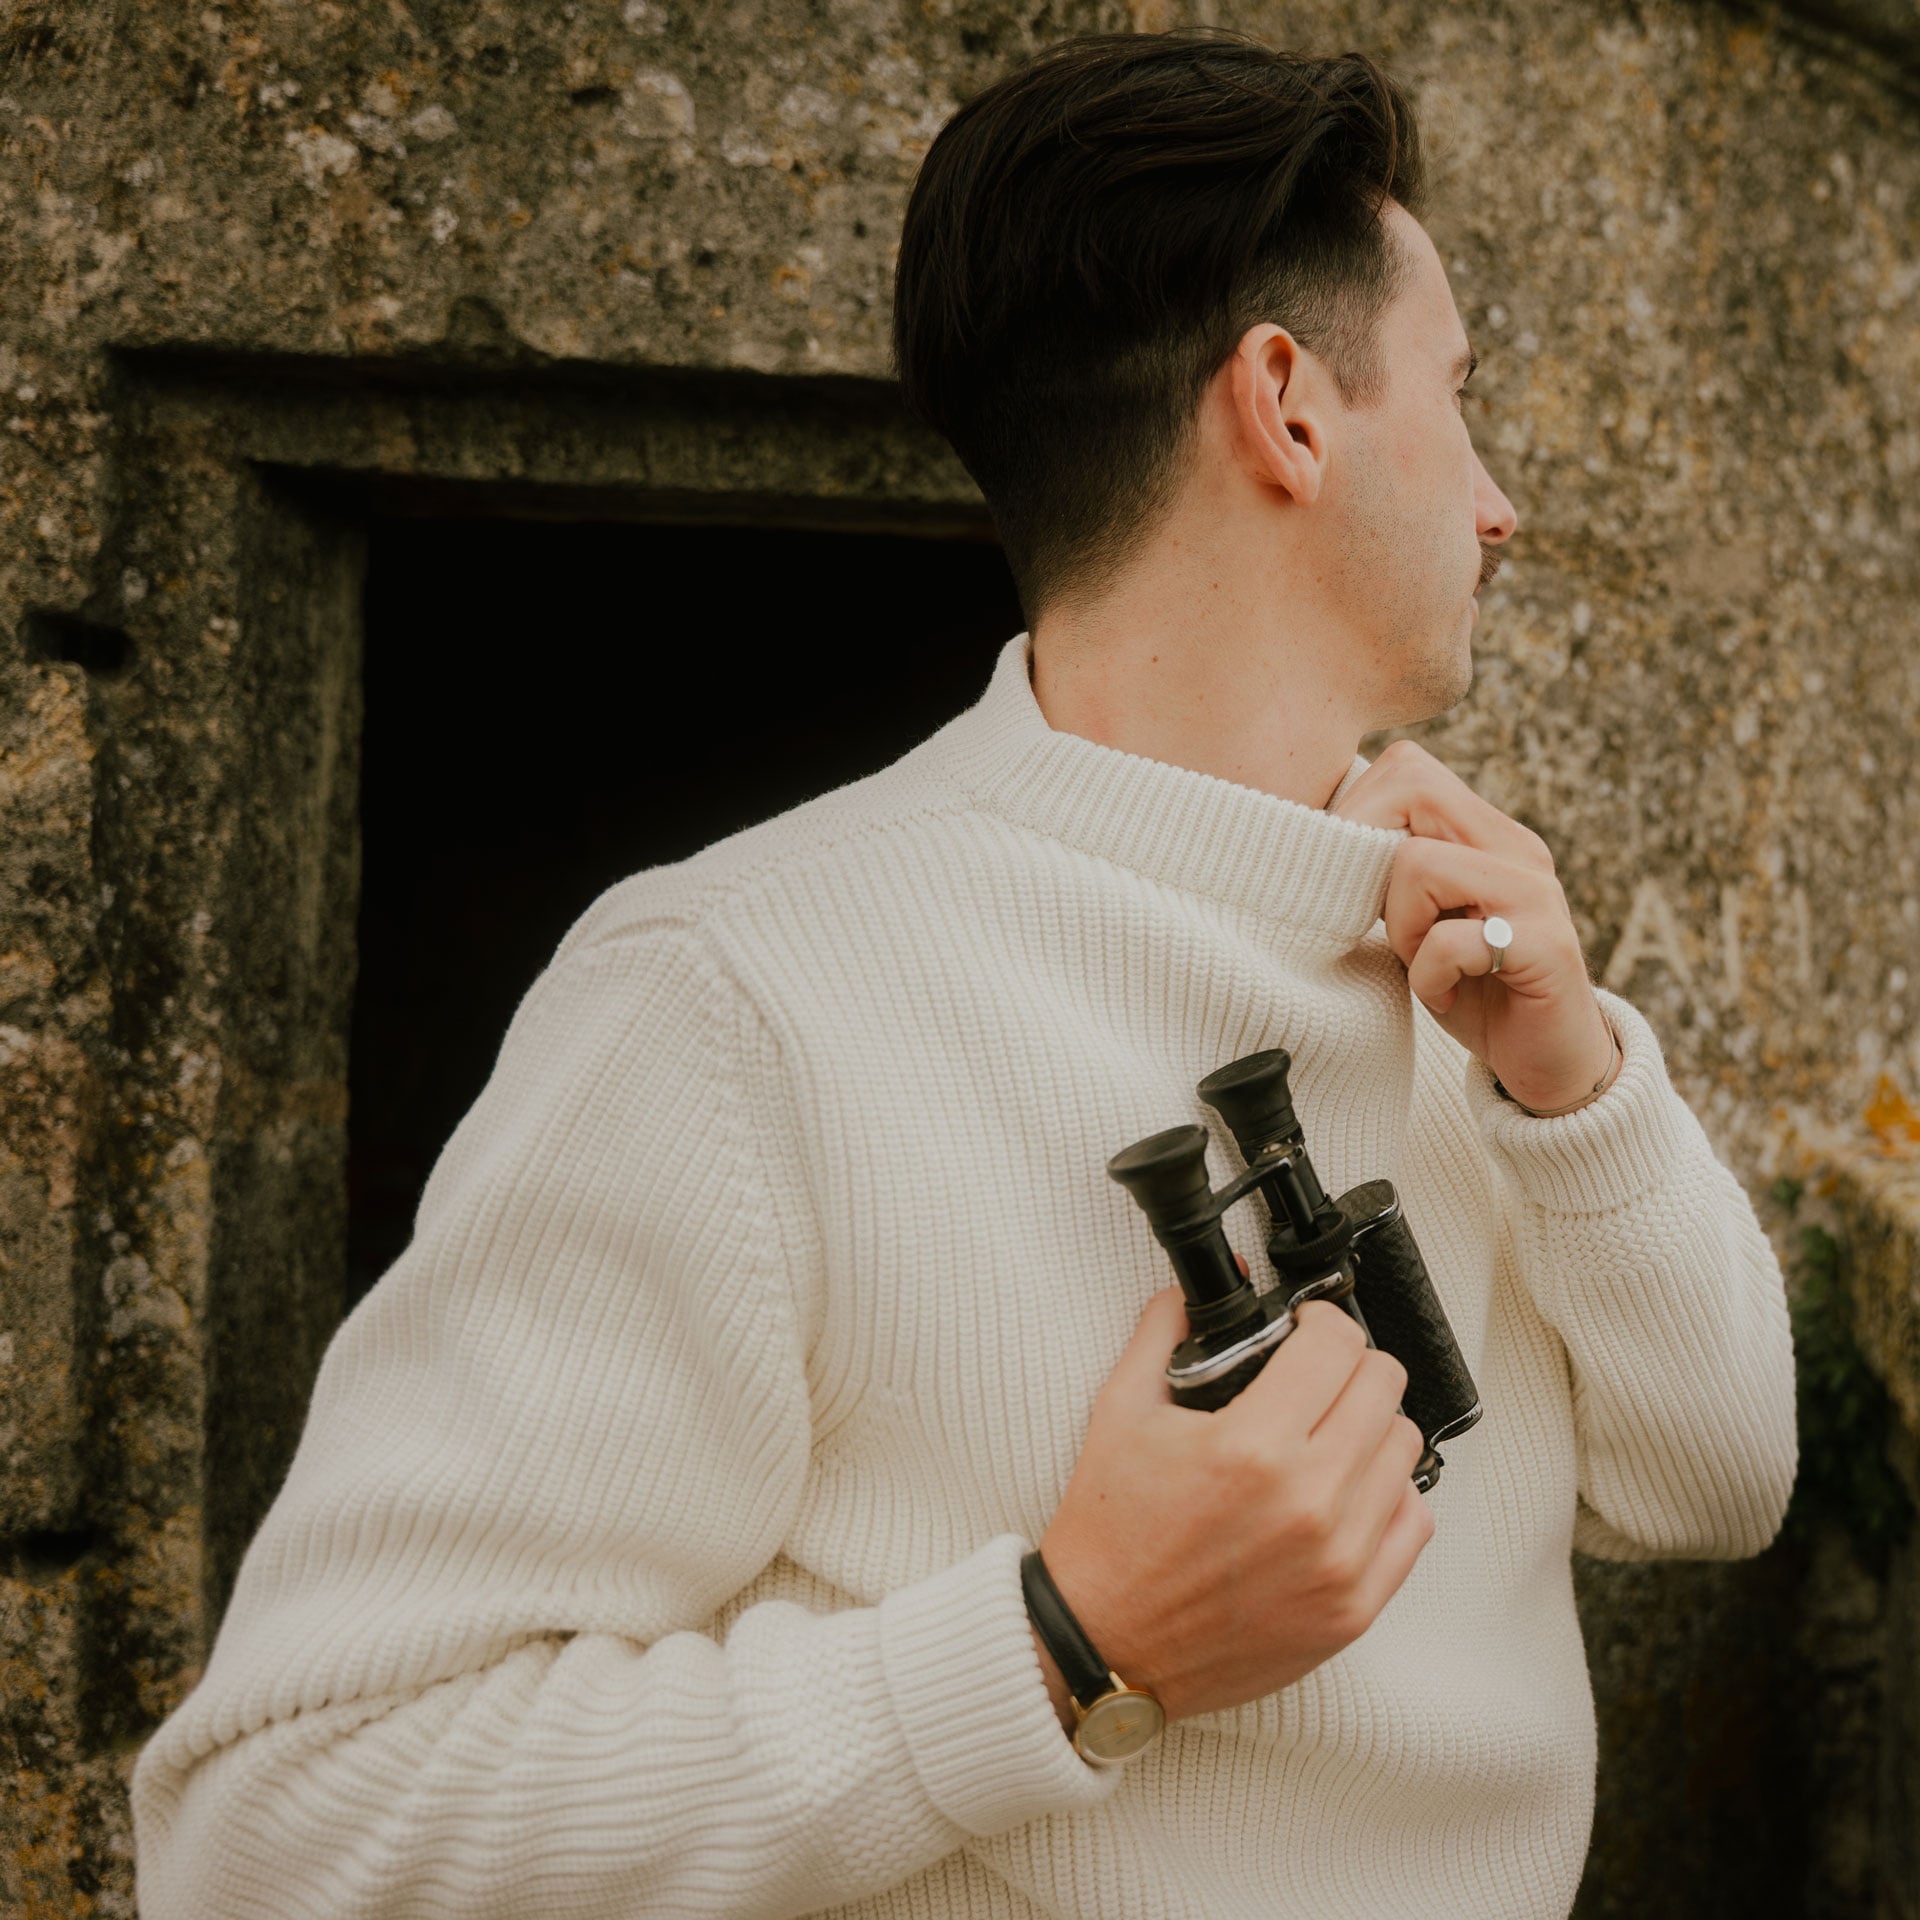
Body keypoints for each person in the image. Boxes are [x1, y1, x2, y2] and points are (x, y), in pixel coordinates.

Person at [131, 27, 1797, 1920]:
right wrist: (1065, 1647)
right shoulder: (732, 996)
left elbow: (1716, 1486)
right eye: (1463, 398)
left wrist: (1577, 1090)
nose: (1502, 505)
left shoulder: (1474, 963)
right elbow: (267, 1836)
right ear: (1289, 407)